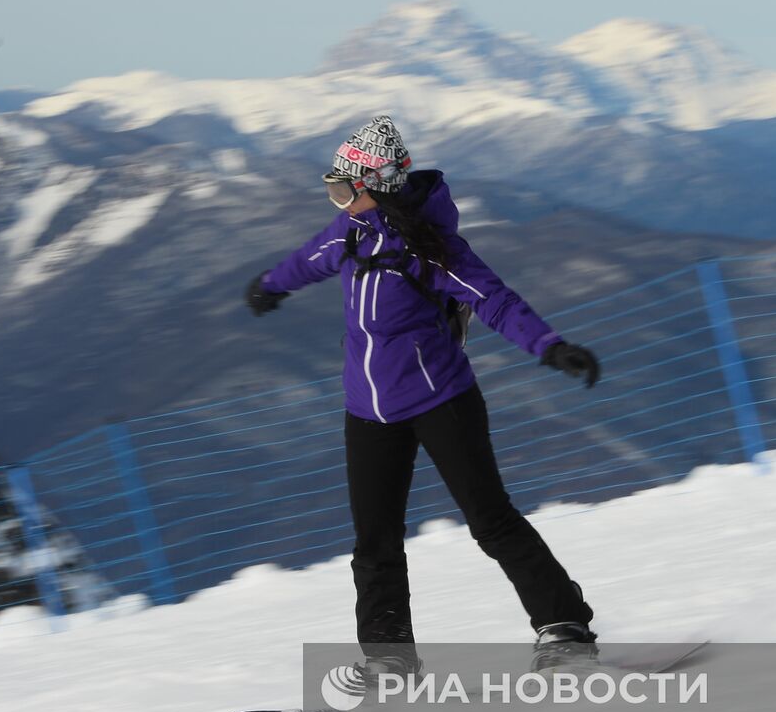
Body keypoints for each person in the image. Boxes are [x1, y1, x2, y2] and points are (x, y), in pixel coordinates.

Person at [244, 115, 600, 676]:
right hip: (368, 410)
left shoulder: (430, 248)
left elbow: (494, 300)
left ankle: (565, 627)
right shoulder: (350, 234)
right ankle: (389, 659)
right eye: (333, 192)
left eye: (344, 190)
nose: (337, 202)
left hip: (441, 400)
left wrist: (550, 346)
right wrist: (269, 286)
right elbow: (307, 260)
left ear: (377, 185)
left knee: (491, 520)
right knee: (374, 541)